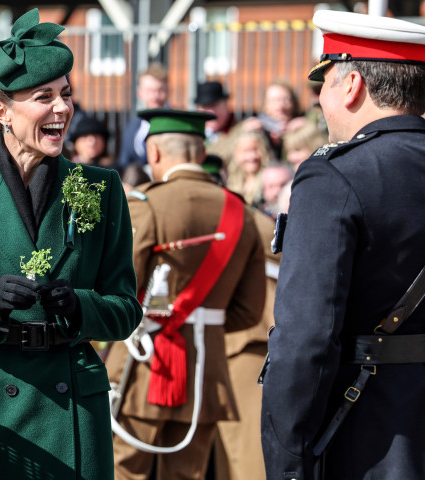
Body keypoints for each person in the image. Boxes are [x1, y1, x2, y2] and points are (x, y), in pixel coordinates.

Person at [0, 9, 141, 479]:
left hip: (74, 406)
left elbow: (126, 308)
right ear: (2, 112)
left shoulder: (99, 186)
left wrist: (80, 307)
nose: (62, 109)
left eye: (66, 95)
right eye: (44, 97)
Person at [261, 10, 425, 480]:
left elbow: (304, 339)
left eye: (325, 83)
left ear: (352, 84)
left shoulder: (334, 175)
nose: (318, 99)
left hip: (365, 437)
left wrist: (288, 461)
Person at [105, 109, 266, 480]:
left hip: (142, 367)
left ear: (155, 153)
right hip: (205, 370)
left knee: (124, 472)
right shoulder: (241, 212)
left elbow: (117, 291)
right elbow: (248, 312)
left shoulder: (146, 203)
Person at [213, 208, 279, 480]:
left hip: (248, 346)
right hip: (245, 343)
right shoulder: (249, 217)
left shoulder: (239, 218)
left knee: (246, 459)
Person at [118, 64, 170, 169]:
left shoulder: (176, 123)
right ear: (139, 93)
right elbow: (124, 162)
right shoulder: (132, 126)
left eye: (160, 90)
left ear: (168, 91)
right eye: (150, 91)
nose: (155, 96)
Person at [226, 129, 274, 208]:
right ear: (236, 154)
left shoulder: (270, 181)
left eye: (256, 149)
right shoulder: (230, 181)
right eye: (246, 151)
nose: (252, 156)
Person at [194, 81, 236, 146]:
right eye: (205, 107)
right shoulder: (193, 133)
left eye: (214, 105)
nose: (211, 112)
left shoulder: (240, 129)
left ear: (225, 105)